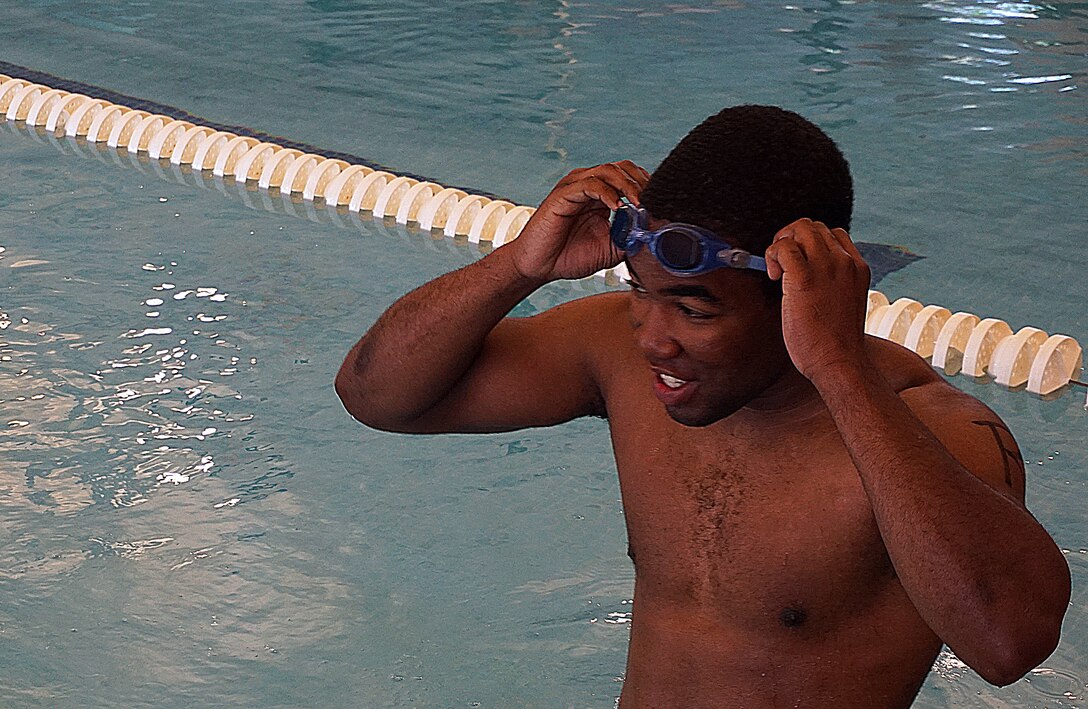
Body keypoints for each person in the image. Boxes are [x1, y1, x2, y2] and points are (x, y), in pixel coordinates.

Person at [335, 105, 1070, 707]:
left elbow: (1009, 643)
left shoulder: (929, 429)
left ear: (792, 298)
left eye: (694, 309)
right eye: (638, 293)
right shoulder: (618, 358)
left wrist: (840, 368)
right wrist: (519, 264)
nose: (655, 339)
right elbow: (374, 394)